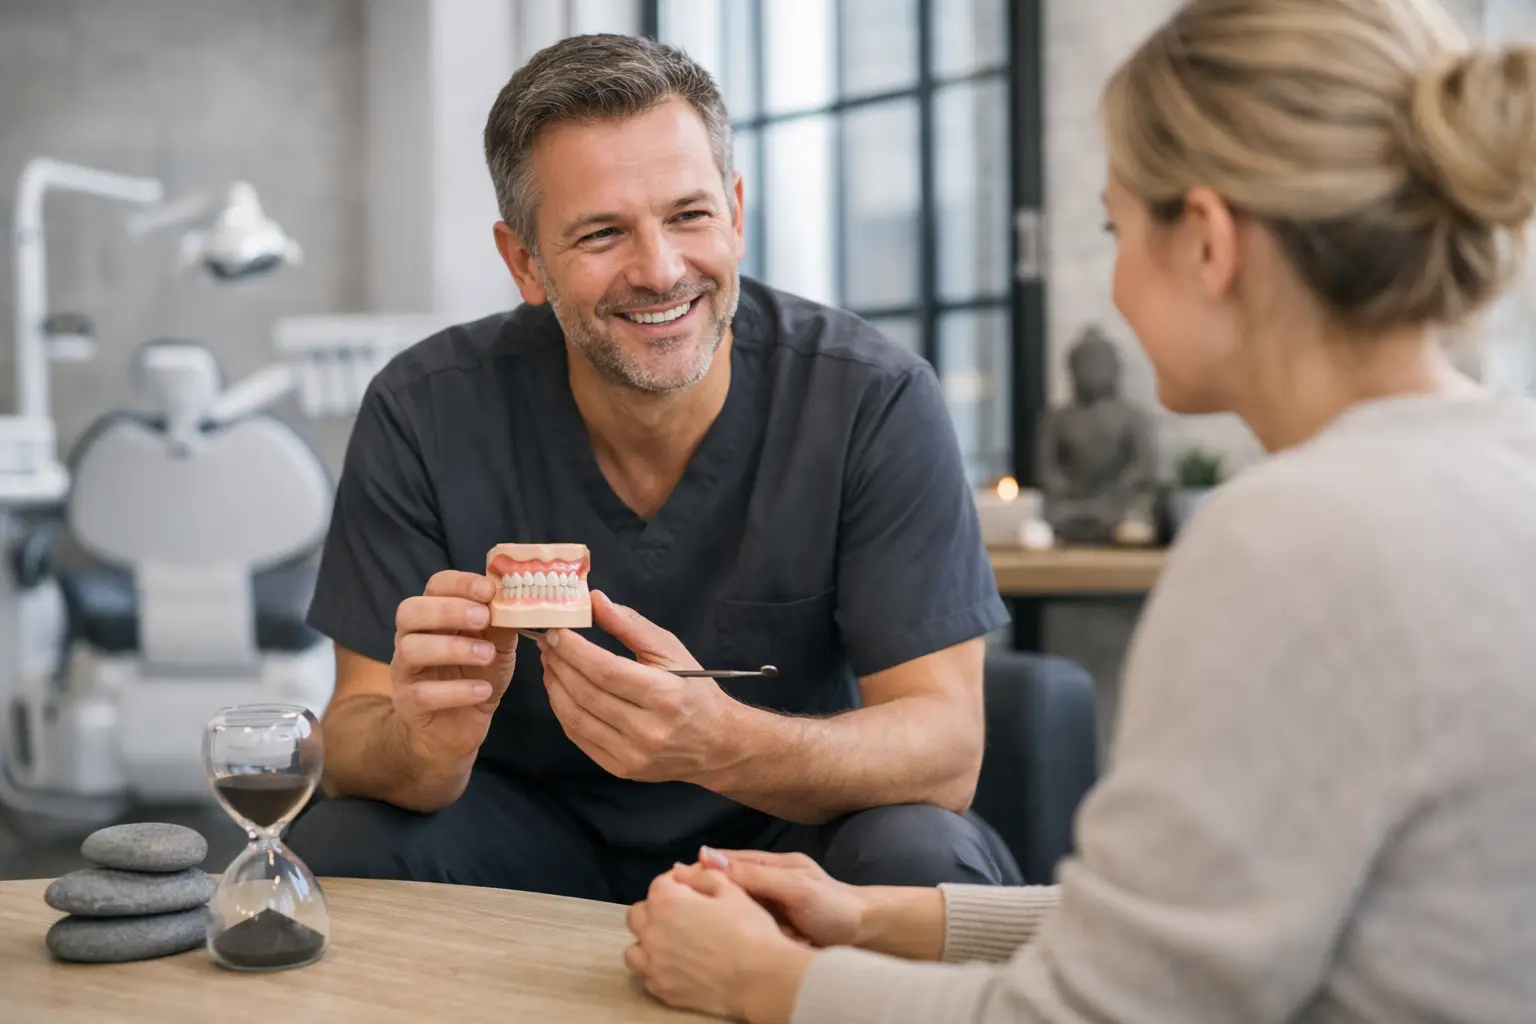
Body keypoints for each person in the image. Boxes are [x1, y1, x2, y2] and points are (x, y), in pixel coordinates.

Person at [621, 0, 1536, 1020]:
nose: (1116, 282)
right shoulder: (1506, 464)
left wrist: (765, 978)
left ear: (1210, 243)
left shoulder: (1293, 542)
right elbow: (1193, 926)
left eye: (1117, 226)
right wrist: (883, 919)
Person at [284, 32, 1020, 905]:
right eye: (602, 233)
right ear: (524, 261)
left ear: (737, 213)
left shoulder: (872, 400)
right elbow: (351, 728)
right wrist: (423, 741)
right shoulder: (423, 409)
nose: (661, 270)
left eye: (689, 215)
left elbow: (946, 750)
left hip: (786, 836)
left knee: (921, 848)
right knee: (342, 841)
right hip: (523, 841)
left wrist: (722, 741)